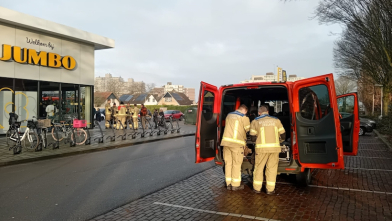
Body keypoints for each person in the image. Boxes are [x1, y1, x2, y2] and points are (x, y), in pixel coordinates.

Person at [250, 105, 285, 195]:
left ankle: (257, 189)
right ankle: (270, 190)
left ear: (259, 113)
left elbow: (253, 138)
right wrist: (278, 141)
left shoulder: (255, 121)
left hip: (261, 150)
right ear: (268, 112)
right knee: (272, 169)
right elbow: (283, 135)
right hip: (274, 149)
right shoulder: (276, 120)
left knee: (259, 168)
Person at [221, 104, 250, 191]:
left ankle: (228, 183)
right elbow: (249, 131)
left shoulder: (229, 115)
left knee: (228, 163)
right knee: (236, 164)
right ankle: (235, 185)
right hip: (237, 144)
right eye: (246, 112)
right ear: (244, 110)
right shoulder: (244, 117)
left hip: (226, 143)